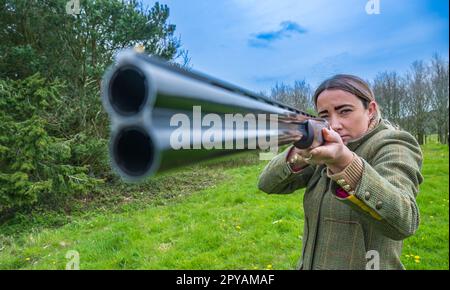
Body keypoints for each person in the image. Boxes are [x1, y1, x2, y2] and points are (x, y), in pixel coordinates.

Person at [258, 74, 423, 270]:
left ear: (370, 110)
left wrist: (345, 162)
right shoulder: (325, 145)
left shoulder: (394, 143)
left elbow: (405, 221)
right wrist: (301, 153)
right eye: (325, 115)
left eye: (344, 111)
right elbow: (267, 184)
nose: (334, 124)